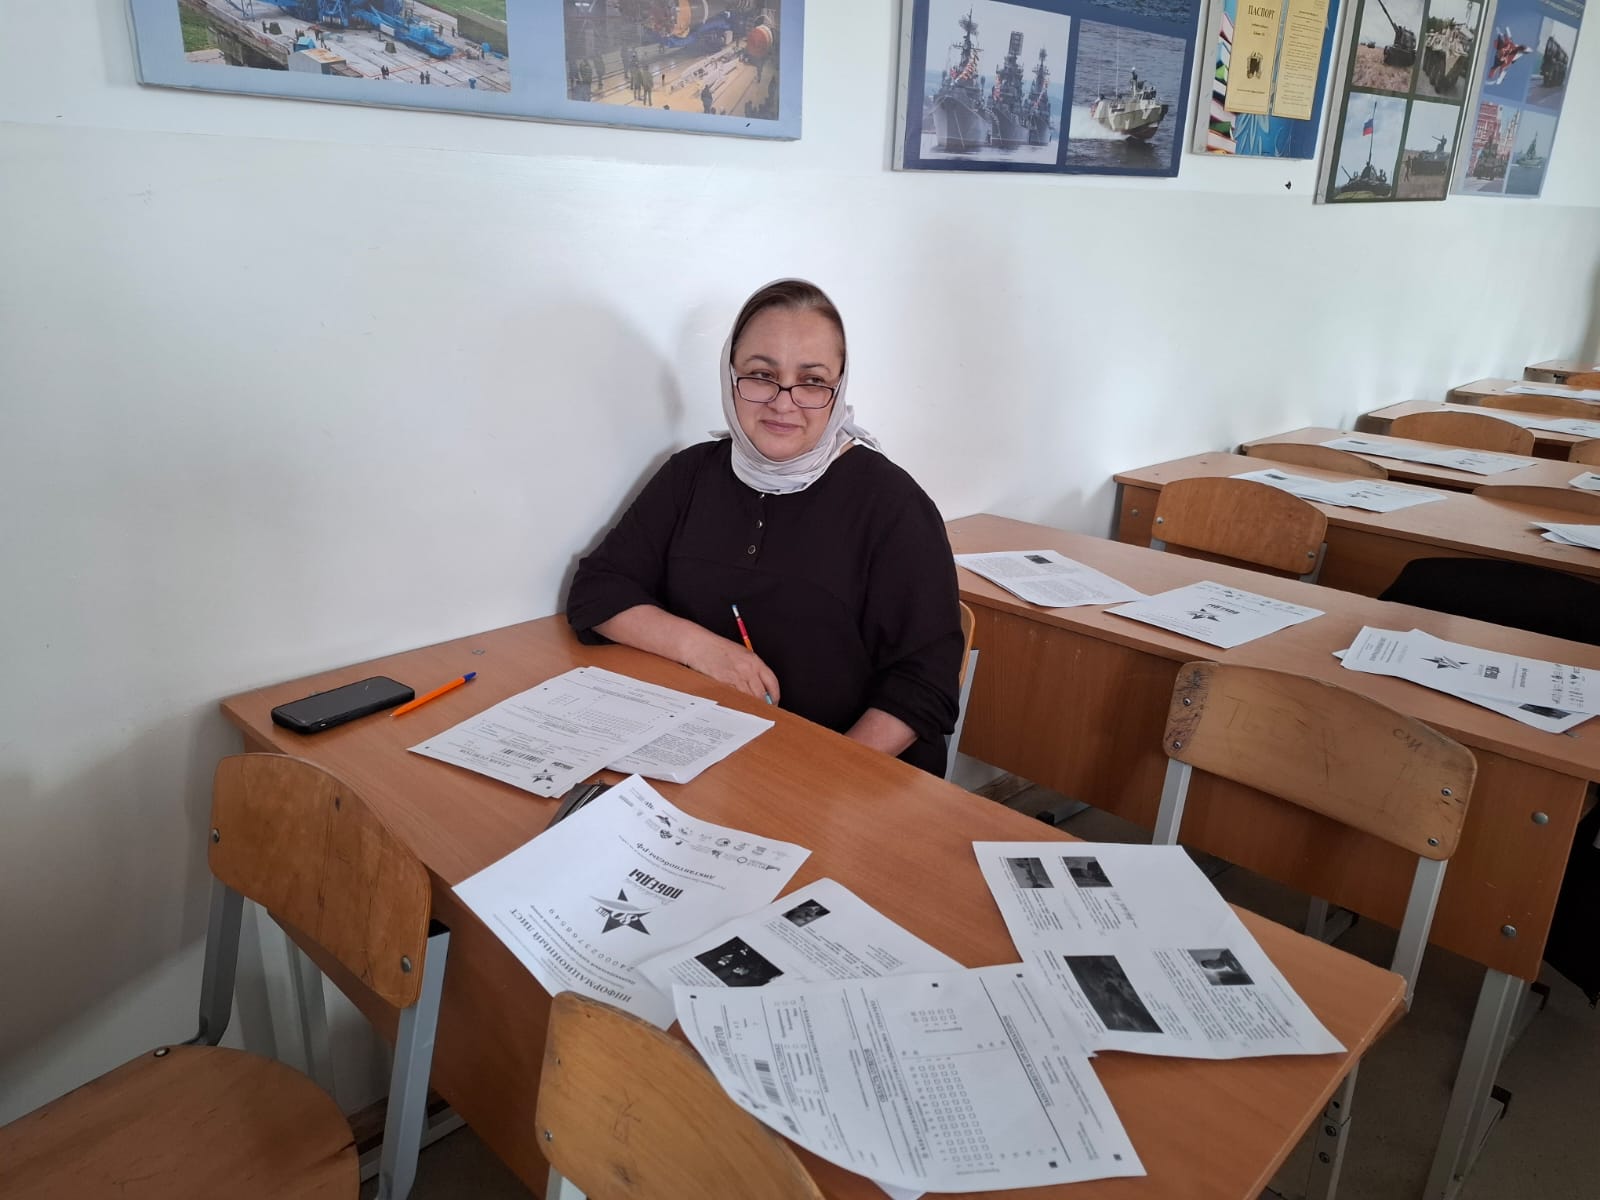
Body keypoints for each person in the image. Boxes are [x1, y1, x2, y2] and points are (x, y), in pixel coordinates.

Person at [567, 280, 962, 776]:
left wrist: (819, 779)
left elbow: (926, 684)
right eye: (761, 375)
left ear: (839, 388)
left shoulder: (892, 504)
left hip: (844, 776)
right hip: (707, 761)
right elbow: (599, 591)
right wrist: (703, 649)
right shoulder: (690, 475)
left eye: (812, 381)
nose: (783, 402)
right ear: (730, 375)